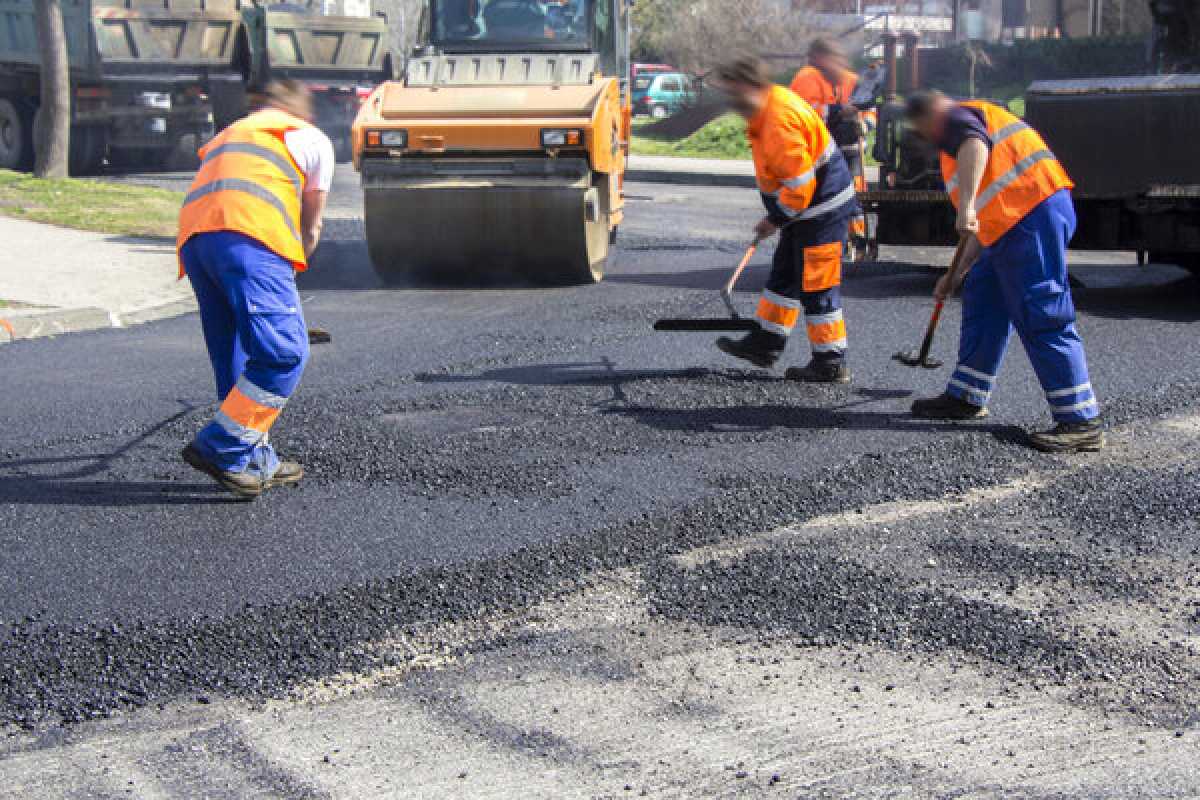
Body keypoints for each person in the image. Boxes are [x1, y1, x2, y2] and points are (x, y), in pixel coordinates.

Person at [905, 90, 1104, 453]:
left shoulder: (957, 121)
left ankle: (1080, 419)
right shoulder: (958, 141)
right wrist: (956, 272)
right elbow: (982, 222)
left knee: (1040, 308)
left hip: (1032, 211)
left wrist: (964, 207)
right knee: (984, 297)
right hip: (1011, 221)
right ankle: (967, 395)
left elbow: (973, 146)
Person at [177, 79, 334, 497]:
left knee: (236, 353)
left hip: (195, 241)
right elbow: (310, 226)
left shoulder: (231, 133)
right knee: (283, 354)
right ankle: (221, 446)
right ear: (304, 112)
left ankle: (255, 458)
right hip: (251, 239)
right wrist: (286, 280)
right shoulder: (311, 137)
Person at [711, 56, 860, 383]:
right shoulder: (769, 105)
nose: (731, 103)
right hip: (807, 212)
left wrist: (775, 219)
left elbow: (800, 186)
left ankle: (831, 361)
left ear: (750, 85)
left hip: (821, 209)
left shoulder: (778, 119)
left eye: (733, 94)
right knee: (785, 274)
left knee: (817, 284)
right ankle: (766, 343)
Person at [790, 37, 868, 257]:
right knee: (830, 195)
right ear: (819, 59)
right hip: (821, 149)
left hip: (849, 145)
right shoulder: (807, 77)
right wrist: (838, 112)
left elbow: (867, 106)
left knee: (854, 192)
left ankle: (857, 239)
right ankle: (835, 243)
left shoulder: (851, 79)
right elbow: (808, 112)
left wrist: (865, 123)